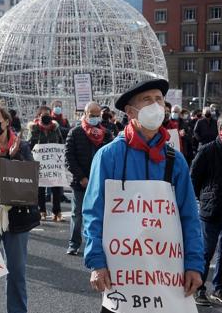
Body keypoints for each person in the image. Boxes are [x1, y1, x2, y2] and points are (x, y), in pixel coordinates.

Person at [83, 79, 203, 313]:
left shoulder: (175, 160)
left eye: (159, 99)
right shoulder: (109, 156)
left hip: (166, 276)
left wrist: (194, 265)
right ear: (130, 112)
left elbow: (189, 216)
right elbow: (92, 213)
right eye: (147, 100)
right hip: (123, 279)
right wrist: (97, 263)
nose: (156, 105)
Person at [0, 102, 39, 313]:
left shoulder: (22, 145)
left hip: (16, 214)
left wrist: (12, 157)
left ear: (7, 122)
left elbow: (30, 178)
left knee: (17, 271)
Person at [64, 102, 112, 256]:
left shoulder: (106, 134)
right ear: (84, 114)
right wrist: (82, 177)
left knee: (100, 214)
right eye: (91, 115)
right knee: (77, 214)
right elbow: (69, 158)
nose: (95, 118)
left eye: (97, 115)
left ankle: (98, 245)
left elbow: (110, 158)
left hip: (100, 182)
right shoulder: (75, 132)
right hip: (80, 182)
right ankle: (74, 244)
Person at [190, 118, 222, 305]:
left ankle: (219, 289)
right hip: (211, 209)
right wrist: (205, 198)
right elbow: (193, 179)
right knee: (205, 252)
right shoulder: (207, 150)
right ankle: (198, 289)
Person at [27, 105, 64, 221]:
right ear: (39, 116)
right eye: (44, 115)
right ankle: (41, 210)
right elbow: (29, 145)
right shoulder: (33, 129)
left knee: (56, 188)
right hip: (40, 163)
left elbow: (60, 142)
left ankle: (56, 212)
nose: (47, 117)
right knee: (40, 188)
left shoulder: (55, 128)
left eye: (49, 115)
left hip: (54, 163)